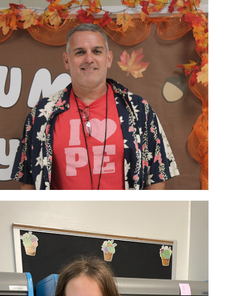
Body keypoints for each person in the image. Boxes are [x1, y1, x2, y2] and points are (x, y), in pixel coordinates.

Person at [14, 23, 177, 190]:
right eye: (80, 52)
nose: (89, 59)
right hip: (62, 215)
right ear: (66, 60)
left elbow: (157, 177)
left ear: (109, 59)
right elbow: (26, 178)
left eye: (97, 51)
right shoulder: (43, 113)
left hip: (125, 215)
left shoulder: (139, 109)